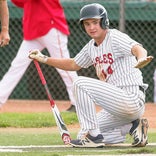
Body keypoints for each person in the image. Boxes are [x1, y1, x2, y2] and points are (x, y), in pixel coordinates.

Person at [29, 3, 153, 147]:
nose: (91, 27)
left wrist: (141, 58)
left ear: (104, 21)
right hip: (118, 107)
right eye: (87, 24)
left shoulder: (114, 37)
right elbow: (73, 64)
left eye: (95, 22)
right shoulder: (91, 47)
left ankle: (94, 138)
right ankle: (133, 126)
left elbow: (137, 48)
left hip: (131, 98)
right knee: (84, 133)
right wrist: (44, 58)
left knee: (80, 83)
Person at [0, 0, 78, 112]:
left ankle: (78, 103)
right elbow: (20, 2)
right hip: (33, 30)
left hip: (51, 27)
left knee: (65, 68)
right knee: (16, 66)